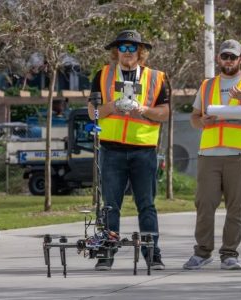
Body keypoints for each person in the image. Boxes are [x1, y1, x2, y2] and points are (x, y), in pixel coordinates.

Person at [88, 29, 169, 271]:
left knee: (147, 204)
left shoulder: (157, 77)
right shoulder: (102, 75)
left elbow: (165, 113)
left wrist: (143, 109)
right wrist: (112, 106)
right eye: (122, 48)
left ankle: (152, 253)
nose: (127, 52)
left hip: (143, 150)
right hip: (111, 150)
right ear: (116, 52)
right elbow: (92, 112)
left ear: (140, 52)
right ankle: (106, 252)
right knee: (110, 204)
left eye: (132, 48)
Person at [183, 39, 241, 270]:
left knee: (236, 207)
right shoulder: (207, 85)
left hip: (240, 153)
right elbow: (194, 118)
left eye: (233, 57)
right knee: (205, 204)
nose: (228, 61)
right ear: (219, 58)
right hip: (209, 154)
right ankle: (202, 252)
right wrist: (202, 121)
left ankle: (229, 254)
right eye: (225, 56)